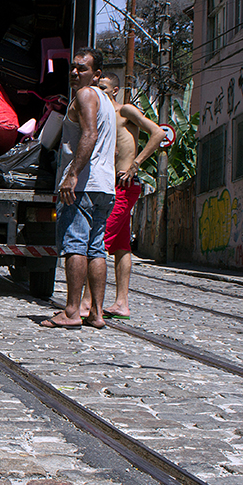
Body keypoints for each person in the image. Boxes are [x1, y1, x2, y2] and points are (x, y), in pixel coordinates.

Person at [41, 47, 115, 330]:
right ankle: (96, 313)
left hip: (83, 186)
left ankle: (71, 311)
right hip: (104, 186)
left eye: (82, 69)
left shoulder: (85, 95)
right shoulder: (107, 101)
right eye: (73, 67)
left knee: (75, 245)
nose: (74, 72)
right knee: (96, 249)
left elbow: (90, 134)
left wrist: (72, 174)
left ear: (96, 75)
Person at [82, 71, 164, 320]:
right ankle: (121, 304)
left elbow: (158, 133)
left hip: (124, 184)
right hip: (111, 183)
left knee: (99, 241)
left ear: (115, 90)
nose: (100, 92)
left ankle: (86, 303)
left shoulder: (124, 110)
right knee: (121, 246)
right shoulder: (101, 115)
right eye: (98, 87)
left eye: (105, 88)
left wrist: (136, 164)